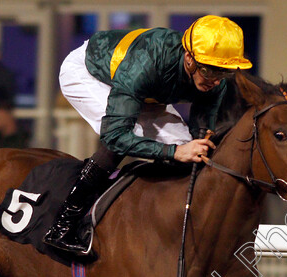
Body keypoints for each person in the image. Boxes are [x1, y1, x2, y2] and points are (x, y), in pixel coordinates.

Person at [44, 15, 252, 255]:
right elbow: (115, 136)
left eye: (223, 73)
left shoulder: (213, 78)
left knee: (190, 148)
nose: (215, 81)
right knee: (130, 136)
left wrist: (189, 148)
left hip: (141, 88)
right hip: (88, 73)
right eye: (208, 71)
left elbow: (199, 135)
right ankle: (62, 225)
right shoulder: (147, 63)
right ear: (189, 59)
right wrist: (174, 152)